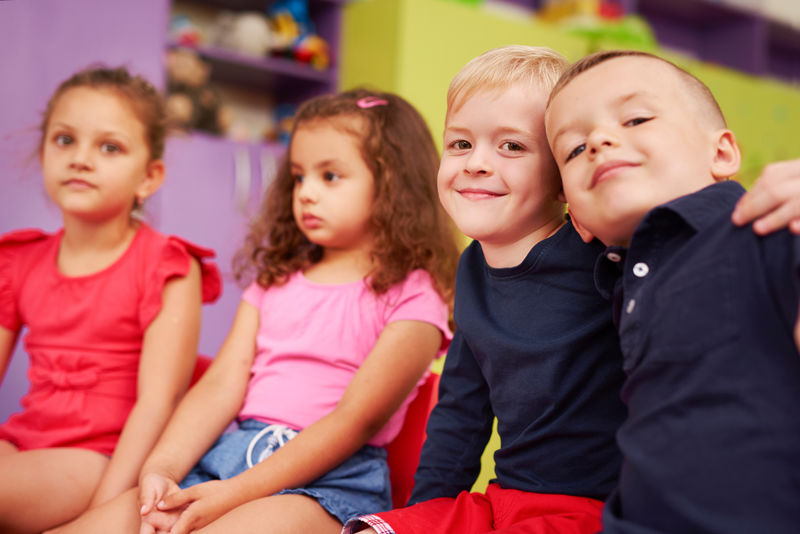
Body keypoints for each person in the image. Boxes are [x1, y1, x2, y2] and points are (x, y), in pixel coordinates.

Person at [49, 88, 459, 534]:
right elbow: (220, 386)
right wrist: (161, 470)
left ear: (393, 183)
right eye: (300, 177)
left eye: (331, 176)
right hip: (226, 461)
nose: (305, 193)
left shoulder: (417, 295)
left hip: (328, 484)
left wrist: (234, 492)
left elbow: (355, 420)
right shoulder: (275, 282)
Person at [346, 45, 628, 534]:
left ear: (563, 177)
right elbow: (460, 412)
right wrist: (421, 517)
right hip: (505, 501)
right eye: (460, 144)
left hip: (594, 508)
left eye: (512, 146)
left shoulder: (605, 256)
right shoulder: (471, 269)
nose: (475, 163)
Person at [545, 49, 800, 534]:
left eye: (636, 118)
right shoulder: (622, 286)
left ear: (721, 153)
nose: (598, 140)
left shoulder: (769, 225)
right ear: (576, 216)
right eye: (573, 150)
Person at [0, 66, 222, 534]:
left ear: (149, 176)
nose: (81, 158)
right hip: (21, 444)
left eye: (109, 147)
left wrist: (101, 512)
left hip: (100, 459)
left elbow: (158, 402)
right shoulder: (17, 260)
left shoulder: (169, 266)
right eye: (64, 140)